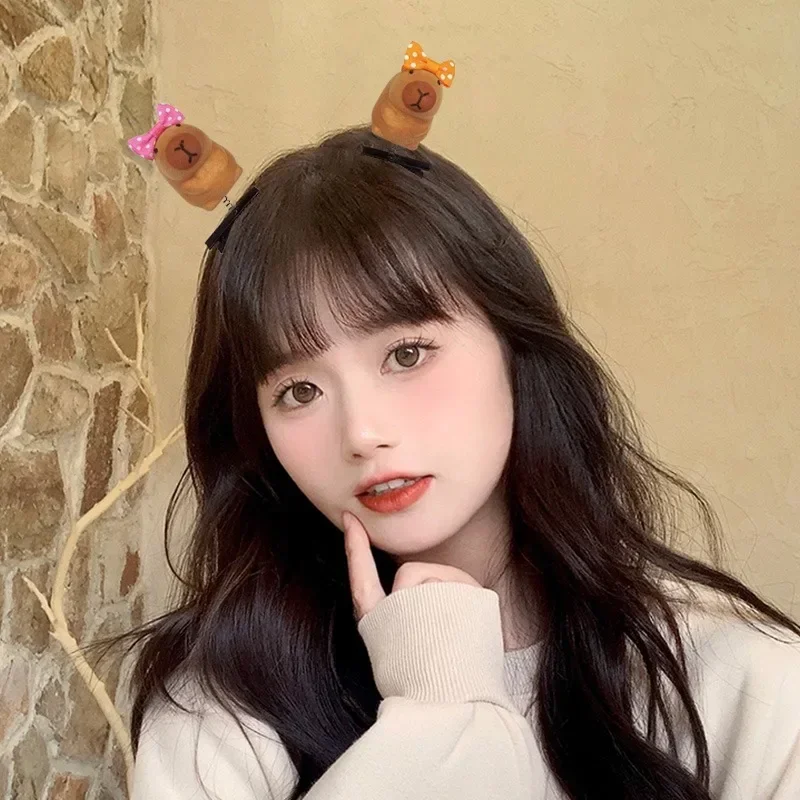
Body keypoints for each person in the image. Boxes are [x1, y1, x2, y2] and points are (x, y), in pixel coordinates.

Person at [126, 124, 800, 799]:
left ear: (512, 341)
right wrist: (441, 715)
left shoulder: (747, 685)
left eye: (407, 354)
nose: (362, 433)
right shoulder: (219, 715)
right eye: (299, 391)